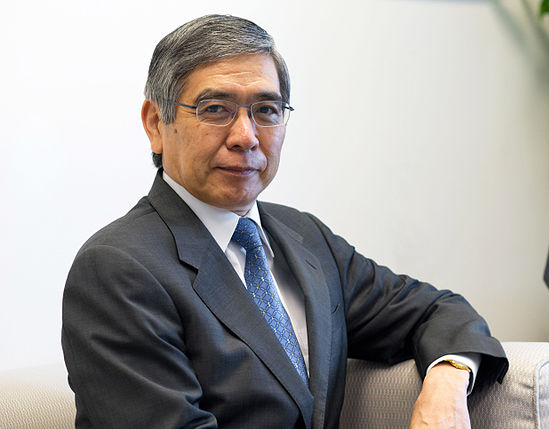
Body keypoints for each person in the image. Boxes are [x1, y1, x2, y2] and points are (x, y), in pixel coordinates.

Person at [62, 14, 508, 429]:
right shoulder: (118, 269)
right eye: (215, 108)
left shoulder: (304, 238)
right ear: (156, 124)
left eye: (266, 110)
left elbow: (436, 310)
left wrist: (447, 383)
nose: (246, 137)